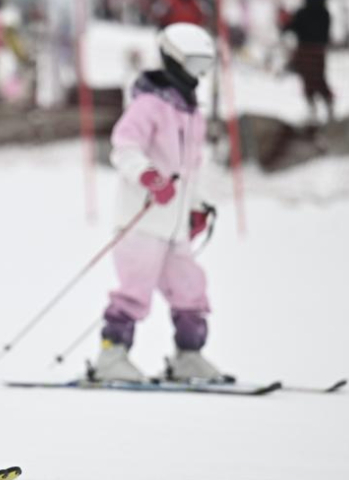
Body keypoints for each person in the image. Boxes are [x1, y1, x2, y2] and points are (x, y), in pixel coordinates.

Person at [93, 23, 220, 383]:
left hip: (174, 225)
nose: (198, 75)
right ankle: (111, 355)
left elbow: (191, 169)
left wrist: (196, 207)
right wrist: (149, 177)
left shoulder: (192, 112)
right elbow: (124, 147)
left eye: (203, 67)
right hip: (142, 218)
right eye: (194, 65)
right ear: (174, 60)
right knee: (134, 289)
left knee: (190, 288)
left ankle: (189, 356)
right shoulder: (148, 105)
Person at [284, 0, 334, 124]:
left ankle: (314, 107)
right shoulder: (325, 13)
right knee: (318, 77)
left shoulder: (302, 12)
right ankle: (326, 104)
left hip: (305, 48)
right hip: (319, 50)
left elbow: (290, 27)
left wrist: (285, 21)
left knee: (308, 78)